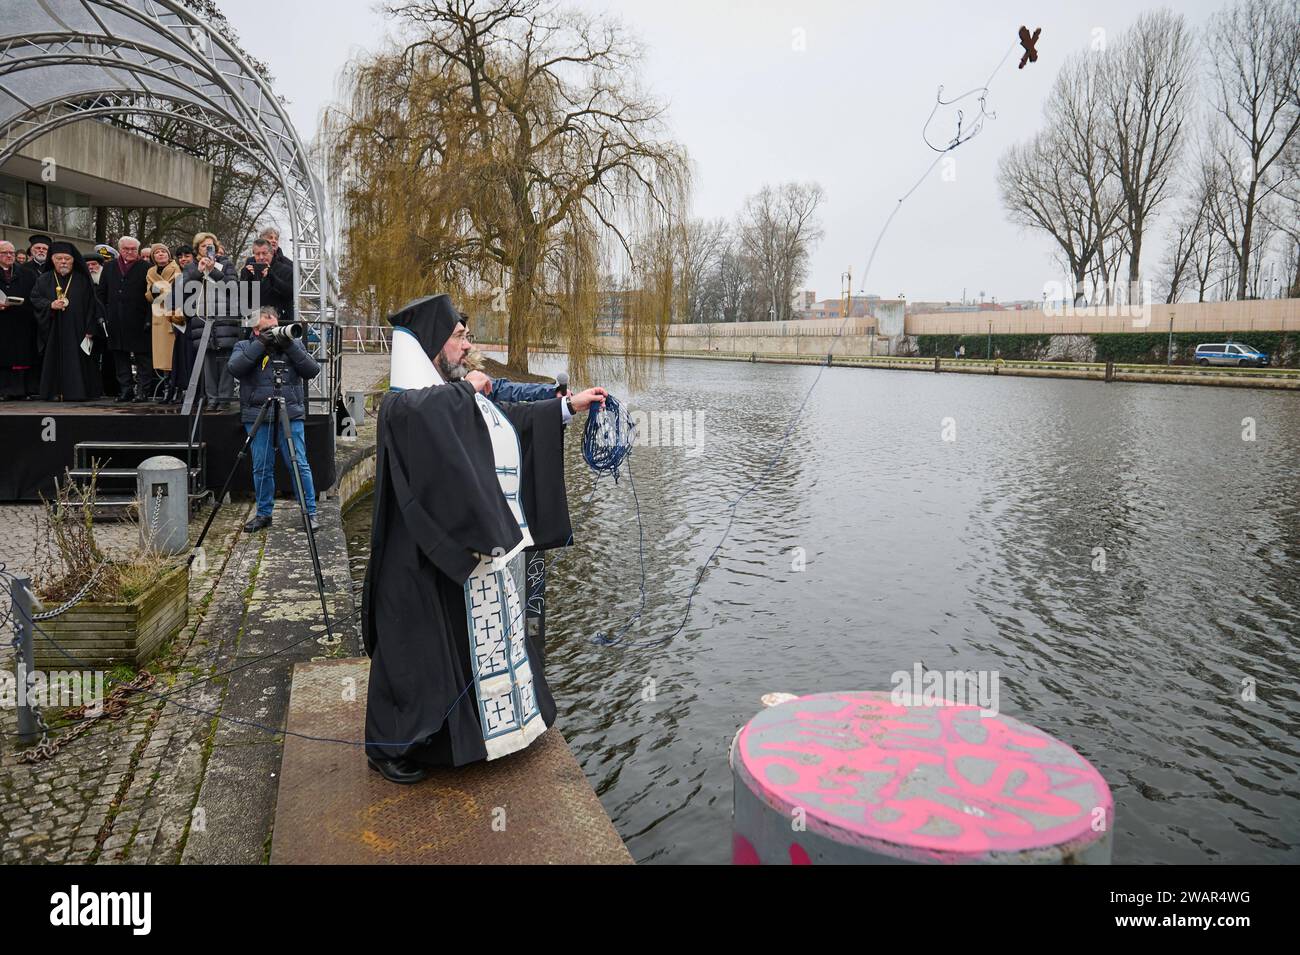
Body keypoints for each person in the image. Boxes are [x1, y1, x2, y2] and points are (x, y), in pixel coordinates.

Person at [363, 293, 607, 783]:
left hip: (454, 548)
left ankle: (455, 741)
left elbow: (500, 425)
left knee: (457, 647)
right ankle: (390, 747)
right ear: (432, 342)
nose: (467, 346)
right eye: (459, 337)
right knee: (414, 646)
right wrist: (468, 392)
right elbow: (435, 416)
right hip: (414, 552)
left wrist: (565, 408)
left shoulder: (445, 393)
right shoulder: (405, 401)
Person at [227, 306, 320, 533]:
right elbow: (235, 368)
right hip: (258, 413)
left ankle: (310, 513)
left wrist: (289, 346)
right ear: (256, 330)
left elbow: (312, 369)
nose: (275, 332)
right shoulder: (244, 346)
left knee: (298, 463)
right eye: (268, 329)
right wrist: (261, 345)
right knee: (262, 466)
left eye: (276, 327)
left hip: (290, 412)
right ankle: (263, 514)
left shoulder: (292, 345)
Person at [30, 243, 103, 401]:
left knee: (78, 360)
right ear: (53, 260)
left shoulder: (83, 280)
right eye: (59, 258)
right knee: (53, 359)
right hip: (53, 328)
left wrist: (90, 327)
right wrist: (50, 305)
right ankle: (54, 392)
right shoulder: (43, 279)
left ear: (73, 261)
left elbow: (92, 305)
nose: (63, 262)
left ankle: (78, 392)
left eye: (67, 259)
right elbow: (35, 299)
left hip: (78, 329)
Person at [182, 231, 240, 410]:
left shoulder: (226, 264)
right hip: (202, 319)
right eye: (203, 246)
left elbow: (233, 288)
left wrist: (213, 270)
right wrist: (198, 272)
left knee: (224, 360)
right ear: (197, 249)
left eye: (210, 246)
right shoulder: (192, 267)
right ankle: (211, 398)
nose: (207, 249)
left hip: (224, 319)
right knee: (206, 360)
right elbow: (182, 288)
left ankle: (224, 399)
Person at [102, 235, 154, 402]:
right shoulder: (109, 267)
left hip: (139, 320)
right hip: (116, 320)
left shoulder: (146, 267)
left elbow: (152, 296)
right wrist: (104, 314)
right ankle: (126, 389)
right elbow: (101, 293)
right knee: (120, 356)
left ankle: (142, 390)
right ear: (120, 250)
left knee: (142, 358)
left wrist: (148, 319)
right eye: (126, 249)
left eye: (133, 249)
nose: (130, 252)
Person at [0, 240, 39, 399]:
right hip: (2, 323)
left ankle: (21, 391)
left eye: (12, 253)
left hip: (22, 321)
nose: (9, 256)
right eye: (5, 253)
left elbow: (35, 296)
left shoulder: (27, 273)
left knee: (21, 356)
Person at [145, 244, 183, 403]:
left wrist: (159, 289)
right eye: (157, 253)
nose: (160, 255)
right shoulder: (151, 272)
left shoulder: (177, 269)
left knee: (174, 356)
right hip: (158, 317)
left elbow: (176, 292)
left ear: (169, 255)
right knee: (163, 358)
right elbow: (148, 294)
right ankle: (167, 389)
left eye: (163, 252)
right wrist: (158, 290)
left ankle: (176, 390)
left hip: (174, 315)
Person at [239, 238, 293, 323]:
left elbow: (290, 294)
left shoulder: (286, 270)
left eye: (264, 253)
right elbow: (242, 297)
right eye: (257, 254)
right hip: (254, 323)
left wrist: (271, 277)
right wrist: (248, 279)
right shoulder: (246, 271)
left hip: (279, 323)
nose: (261, 257)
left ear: (271, 253)